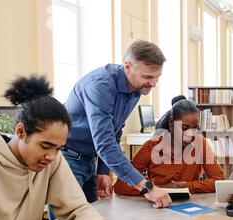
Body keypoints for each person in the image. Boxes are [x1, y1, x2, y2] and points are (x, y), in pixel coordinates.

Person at [0, 75, 128, 220]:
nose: (51, 156)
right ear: (20, 132)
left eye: (59, 148)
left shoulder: (51, 160)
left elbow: (76, 208)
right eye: (45, 146)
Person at [63, 39, 171, 208]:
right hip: (66, 158)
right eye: (148, 77)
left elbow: (115, 131)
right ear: (128, 66)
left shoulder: (136, 88)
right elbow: (105, 144)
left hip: (90, 159)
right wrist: (147, 187)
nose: (153, 84)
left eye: (157, 78)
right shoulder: (100, 86)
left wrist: (103, 171)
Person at [114, 96, 225, 195]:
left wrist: (185, 186)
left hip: (189, 206)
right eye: (184, 128)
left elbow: (219, 180)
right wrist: (155, 189)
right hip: (157, 208)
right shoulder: (151, 147)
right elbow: (120, 186)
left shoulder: (200, 144)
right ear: (171, 123)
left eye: (194, 128)